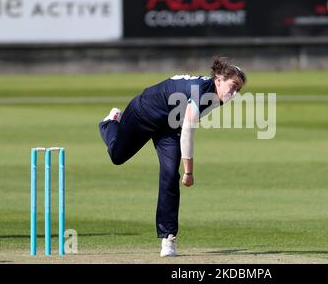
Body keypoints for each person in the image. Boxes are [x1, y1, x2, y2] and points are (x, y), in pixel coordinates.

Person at [98, 57, 247, 257]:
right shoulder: (201, 90)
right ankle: (110, 122)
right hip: (144, 111)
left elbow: (184, 122)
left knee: (169, 176)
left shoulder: (218, 97)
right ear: (219, 79)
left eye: (239, 89)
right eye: (233, 86)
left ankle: (168, 238)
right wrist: (189, 171)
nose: (235, 93)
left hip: (169, 125)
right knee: (117, 156)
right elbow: (188, 131)